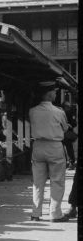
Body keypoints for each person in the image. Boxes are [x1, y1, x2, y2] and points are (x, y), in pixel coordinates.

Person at [29, 81, 70, 222]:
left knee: (38, 182)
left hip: (38, 146)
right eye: (54, 91)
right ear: (48, 93)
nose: (56, 94)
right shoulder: (58, 112)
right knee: (57, 181)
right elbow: (65, 128)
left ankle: (36, 213)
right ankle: (55, 213)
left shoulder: (32, 111)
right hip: (54, 146)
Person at [62, 101, 77, 170]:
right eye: (67, 106)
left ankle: (70, 162)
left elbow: (74, 123)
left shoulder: (70, 113)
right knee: (67, 148)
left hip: (66, 133)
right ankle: (69, 162)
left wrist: (70, 125)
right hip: (64, 133)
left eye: (69, 107)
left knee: (68, 148)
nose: (68, 108)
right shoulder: (61, 113)